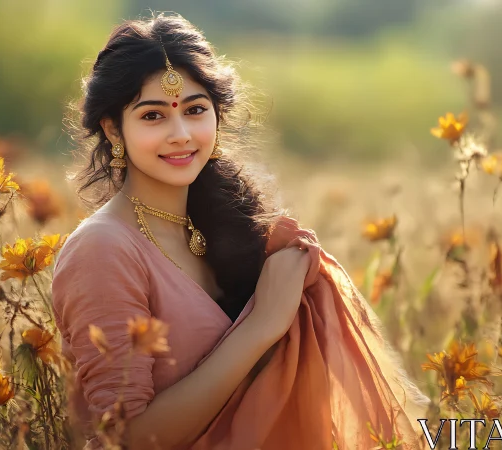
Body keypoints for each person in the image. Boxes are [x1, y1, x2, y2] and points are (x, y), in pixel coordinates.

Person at [53, 12, 428, 450]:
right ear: (113, 128)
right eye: (153, 116)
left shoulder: (225, 229)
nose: (181, 134)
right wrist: (262, 325)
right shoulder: (102, 250)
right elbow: (127, 439)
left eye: (195, 110)